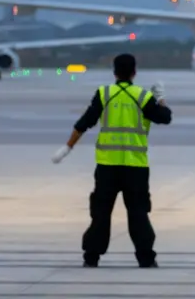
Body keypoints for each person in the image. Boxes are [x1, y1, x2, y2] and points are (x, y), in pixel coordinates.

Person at [51, 53, 173, 268]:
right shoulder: (143, 96)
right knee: (138, 213)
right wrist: (161, 97)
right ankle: (146, 257)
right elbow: (165, 117)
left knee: (100, 213)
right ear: (134, 72)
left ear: (114, 71)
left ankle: (91, 256)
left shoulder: (104, 94)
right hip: (135, 167)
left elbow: (84, 123)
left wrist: (68, 147)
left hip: (107, 166)